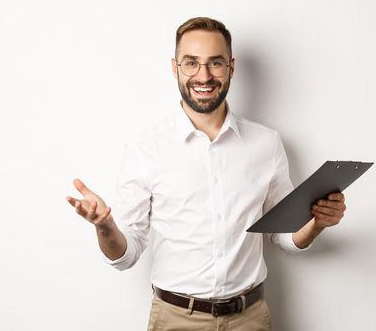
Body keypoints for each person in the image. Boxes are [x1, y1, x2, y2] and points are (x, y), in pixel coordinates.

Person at [65, 17, 347, 331]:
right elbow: (125, 255)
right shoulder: (145, 149)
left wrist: (316, 224)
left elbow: (283, 235)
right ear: (175, 68)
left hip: (250, 319)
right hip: (175, 319)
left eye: (215, 63)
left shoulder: (267, 144)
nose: (204, 75)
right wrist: (105, 227)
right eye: (191, 63)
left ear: (231, 67)